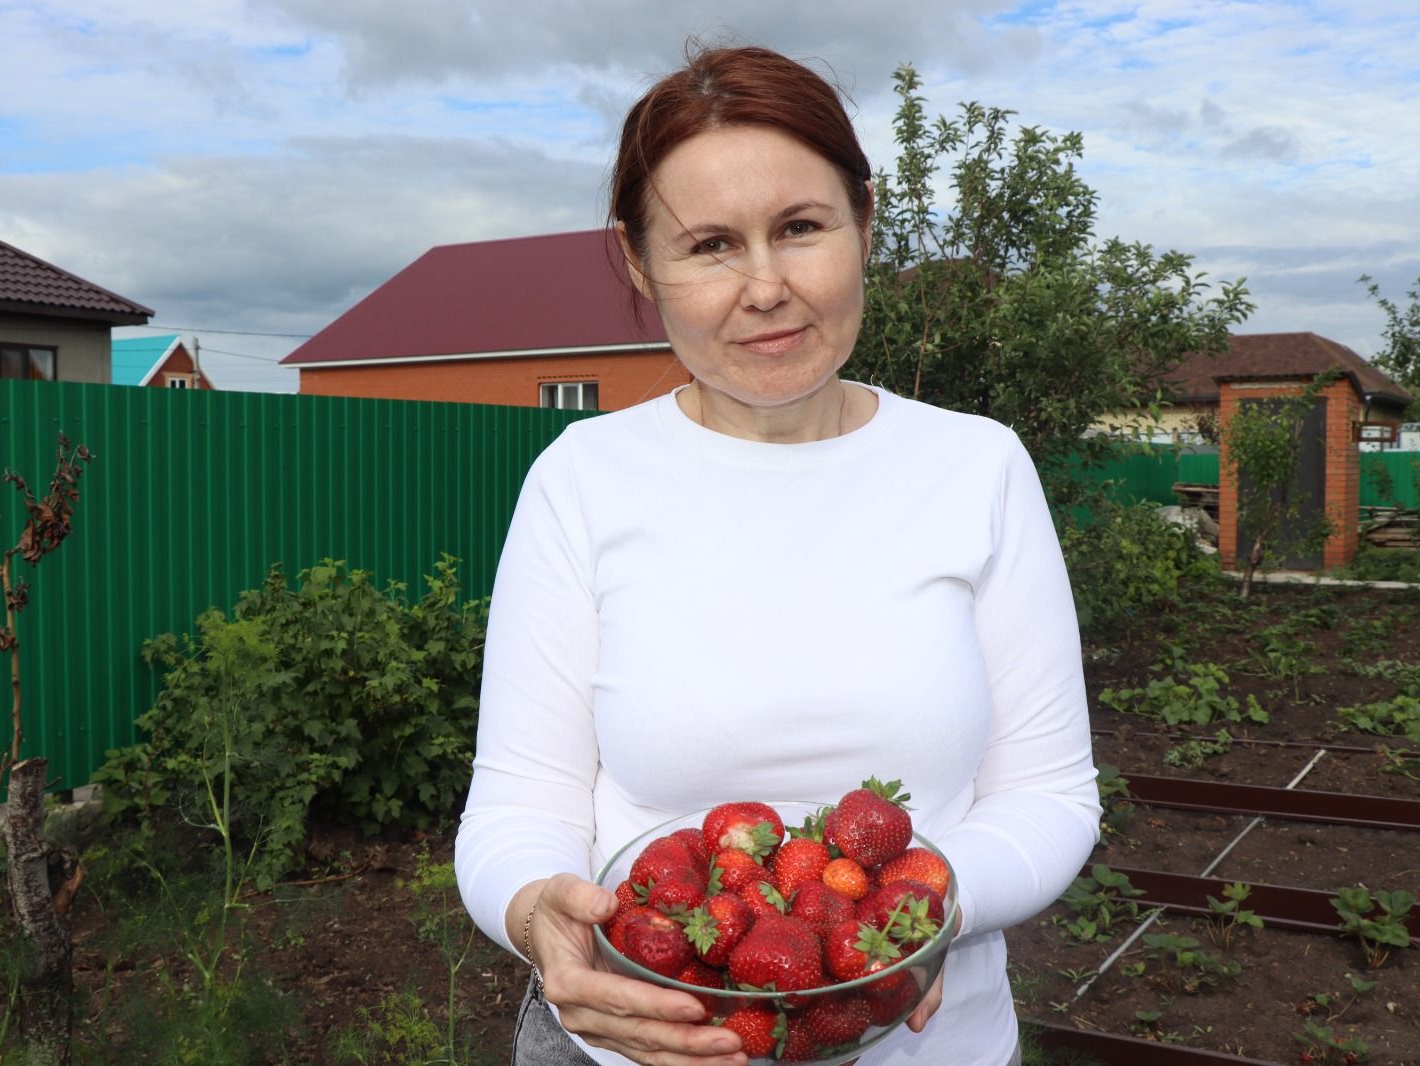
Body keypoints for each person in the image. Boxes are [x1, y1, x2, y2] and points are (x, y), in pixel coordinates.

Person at [455, 43, 1099, 1065]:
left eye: (800, 228)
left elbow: (1049, 796)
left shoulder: (976, 467)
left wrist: (905, 925)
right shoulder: (582, 480)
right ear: (636, 262)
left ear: (864, 225)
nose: (766, 287)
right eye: (710, 244)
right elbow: (518, 804)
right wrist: (538, 909)